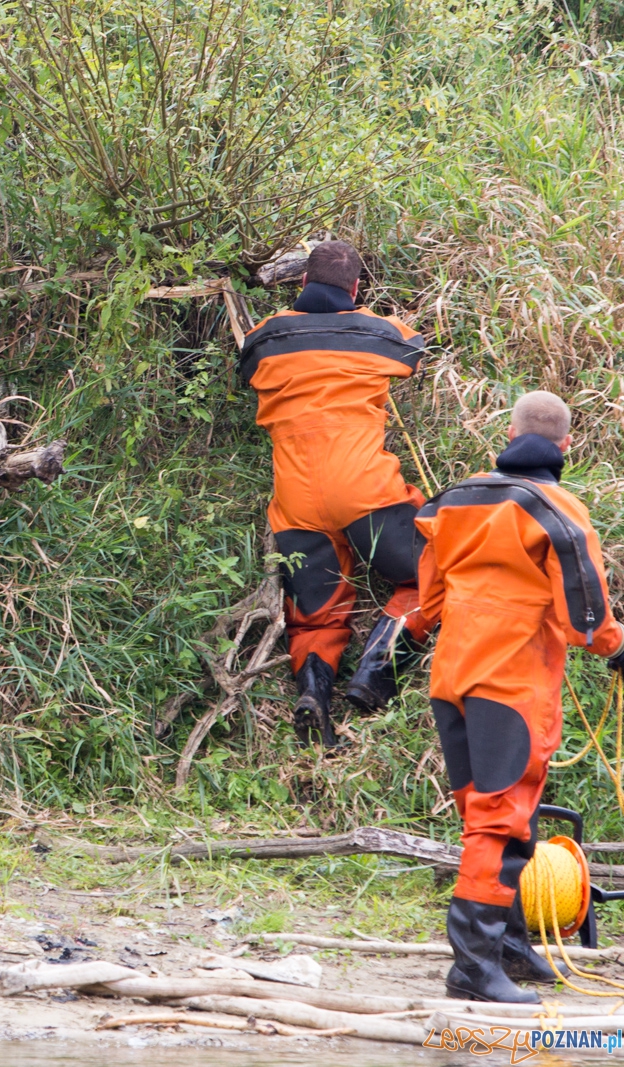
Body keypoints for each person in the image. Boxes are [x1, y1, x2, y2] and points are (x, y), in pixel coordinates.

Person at [416, 390, 624, 1002]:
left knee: (489, 816)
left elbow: (428, 603)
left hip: (452, 679)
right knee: (501, 822)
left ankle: (506, 947)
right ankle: (473, 968)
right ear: (566, 446)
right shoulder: (559, 509)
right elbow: (588, 623)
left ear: (506, 434)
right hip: (511, 685)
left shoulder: (451, 502)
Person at [238, 240, 431, 746]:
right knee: (437, 573)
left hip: (296, 496)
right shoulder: (378, 332)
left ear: (301, 282)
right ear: (357, 288)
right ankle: (375, 675)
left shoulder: (264, 337)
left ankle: (314, 701)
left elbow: (247, 366)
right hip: (364, 490)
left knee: (315, 615)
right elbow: (417, 349)